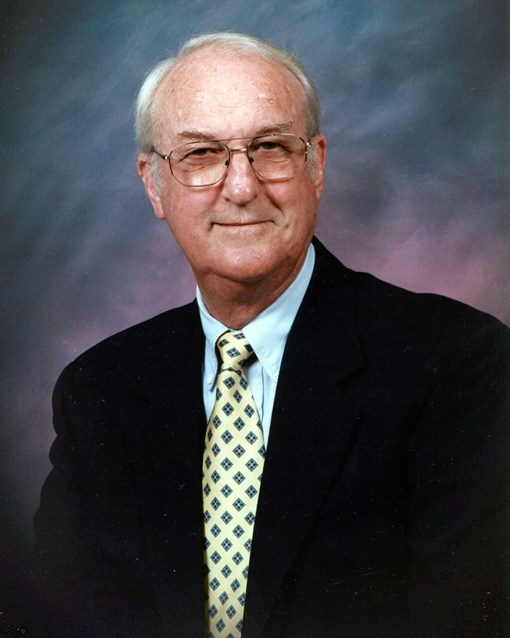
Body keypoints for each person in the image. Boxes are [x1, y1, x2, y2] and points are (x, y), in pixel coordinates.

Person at [31, 32, 509, 637]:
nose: (241, 187)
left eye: (271, 147)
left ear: (316, 165)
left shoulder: (457, 364)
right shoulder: (98, 390)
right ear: (153, 183)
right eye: (201, 154)